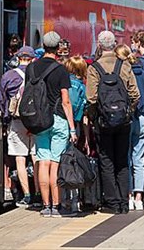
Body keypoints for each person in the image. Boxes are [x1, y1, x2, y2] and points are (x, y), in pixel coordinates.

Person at [86, 31, 140, 214]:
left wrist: (95, 118)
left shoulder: (94, 68)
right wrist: (127, 112)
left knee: (106, 160)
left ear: (99, 46)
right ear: (114, 44)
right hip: (124, 122)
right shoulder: (123, 65)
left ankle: (111, 202)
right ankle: (124, 202)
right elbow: (135, 94)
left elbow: (92, 98)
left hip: (103, 122)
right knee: (122, 161)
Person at [27, 31, 77, 217]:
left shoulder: (31, 68)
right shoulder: (61, 69)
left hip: (39, 120)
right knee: (55, 163)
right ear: (57, 48)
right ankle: (57, 206)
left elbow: (28, 96)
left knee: (43, 161)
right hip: (58, 120)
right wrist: (72, 127)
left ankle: (45, 206)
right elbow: (66, 101)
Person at [0, 45, 40, 208]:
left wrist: (5, 121)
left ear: (17, 58)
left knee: (20, 158)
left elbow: (3, 101)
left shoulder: (8, 76)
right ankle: (39, 194)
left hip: (17, 121)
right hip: (37, 122)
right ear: (32, 59)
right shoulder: (38, 75)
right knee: (37, 156)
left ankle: (27, 196)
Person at [115, 44, 144, 211]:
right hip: (143, 117)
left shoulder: (123, 73)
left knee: (127, 158)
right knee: (139, 159)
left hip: (129, 118)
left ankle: (128, 195)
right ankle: (139, 197)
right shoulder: (142, 71)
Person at [62, 55, 88, 215]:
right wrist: (86, 138)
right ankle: (74, 199)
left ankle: (63, 198)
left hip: (62, 124)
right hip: (76, 127)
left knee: (62, 161)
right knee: (73, 163)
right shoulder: (82, 88)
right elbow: (85, 115)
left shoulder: (65, 85)